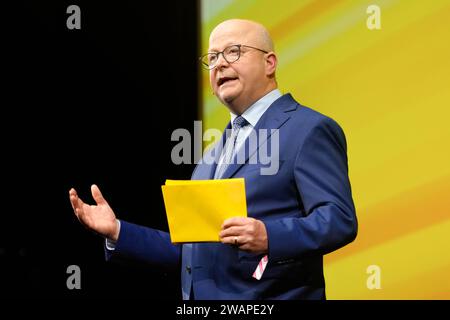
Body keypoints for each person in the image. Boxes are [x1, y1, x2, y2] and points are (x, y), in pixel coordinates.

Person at [69, 19, 357, 300]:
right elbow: (193, 253)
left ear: (269, 63)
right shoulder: (211, 156)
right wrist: (117, 231)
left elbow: (339, 219)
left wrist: (270, 236)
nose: (219, 63)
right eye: (213, 56)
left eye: (234, 51)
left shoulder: (308, 128)